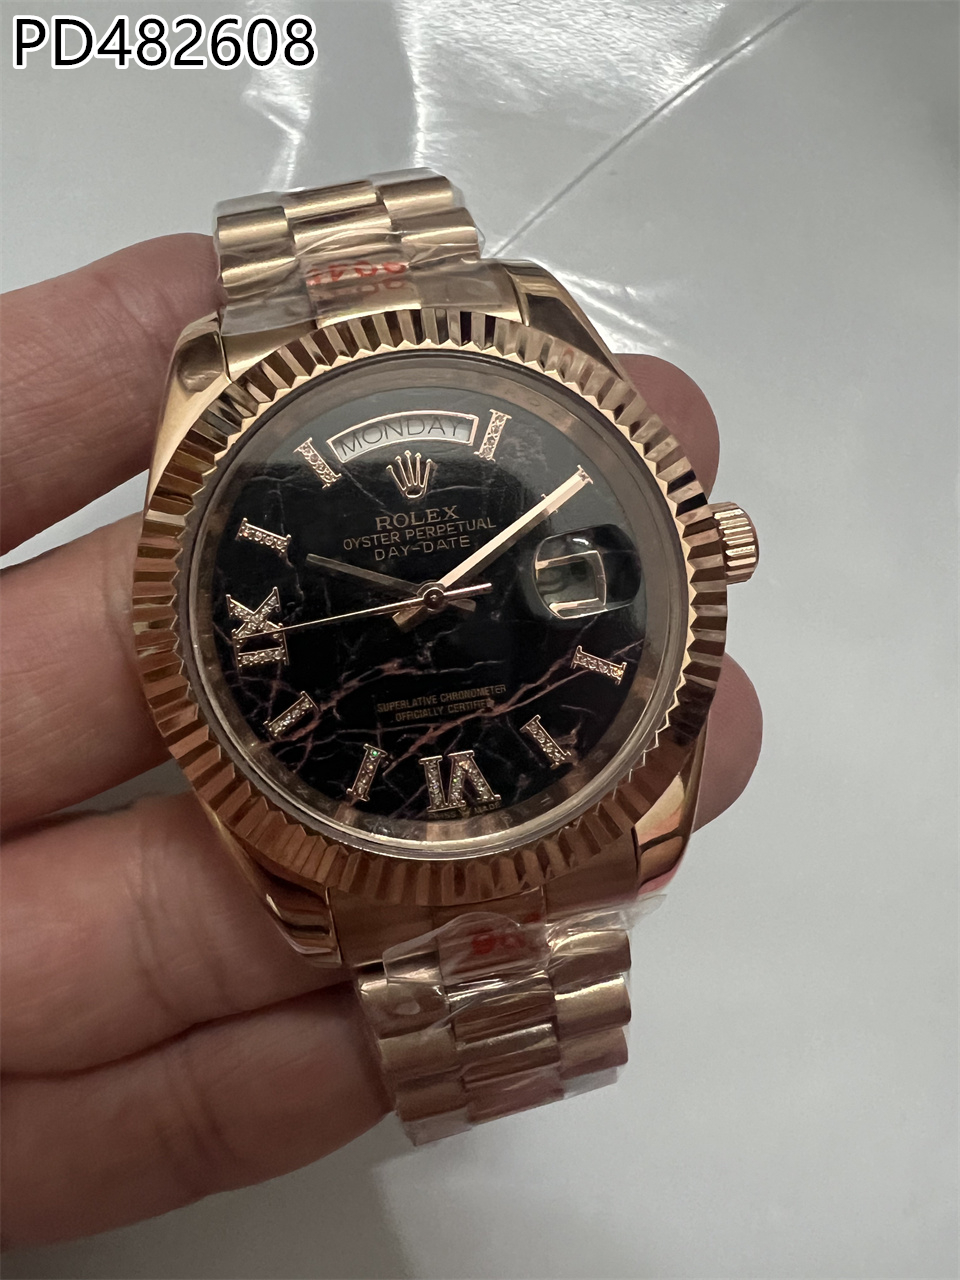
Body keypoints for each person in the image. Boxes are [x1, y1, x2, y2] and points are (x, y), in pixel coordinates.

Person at [0, 234, 762, 1248]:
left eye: (446, 591)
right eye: (427, 596)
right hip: (373, 805)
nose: (437, 598)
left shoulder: (547, 391)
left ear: (708, 549)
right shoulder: (207, 582)